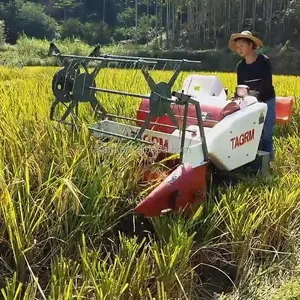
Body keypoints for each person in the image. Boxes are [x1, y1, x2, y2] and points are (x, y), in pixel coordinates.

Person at [228, 30, 276, 163]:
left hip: (266, 101)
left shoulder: (264, 61)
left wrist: (254, 97)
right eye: (237, 47)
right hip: (249, 103)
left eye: (242, 45)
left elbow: (266, 85)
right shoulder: (240, 67)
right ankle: (251, 161)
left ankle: (268, 162)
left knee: (266, 133)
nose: (239, 49)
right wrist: (236, 99)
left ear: (251, 45)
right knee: (250, 133)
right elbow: (241, 88)